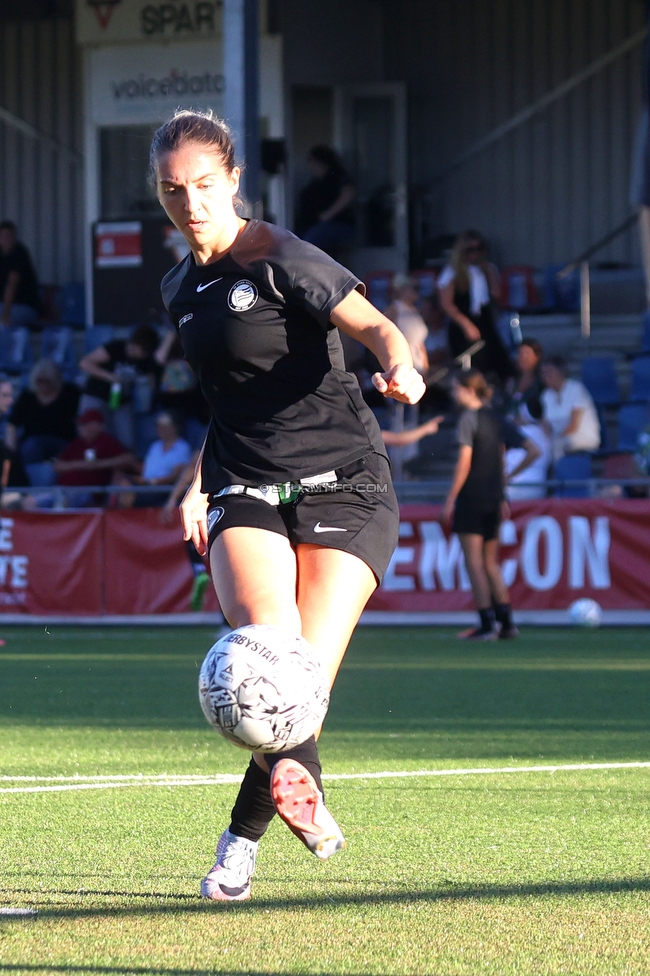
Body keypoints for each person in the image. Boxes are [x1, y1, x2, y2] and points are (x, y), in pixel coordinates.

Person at [152, 108, 424, 901]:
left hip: (345, 481)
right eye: (175, 191)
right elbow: (224, 400)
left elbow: (374, 324)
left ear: (233, 180)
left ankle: (238, 841)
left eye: (205, 185)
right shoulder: (178, 286)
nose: (192, 204)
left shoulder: (277, 254)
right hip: (245, 482)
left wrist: (401, 366)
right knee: (267, 654)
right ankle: (295, 794)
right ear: (160, 194)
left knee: (299, 684)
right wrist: (200, 483)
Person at [441, 369, 518, 641]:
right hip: (494, 498)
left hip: (471, 497)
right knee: (490, 563)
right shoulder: (495, 418)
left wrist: (449, 499)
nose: (453, 394)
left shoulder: (468, 419)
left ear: (467, 390)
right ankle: (507, 623)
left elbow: (465, 462)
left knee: (474, 563)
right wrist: (504, 486)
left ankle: (487, 624)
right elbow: (528, 450)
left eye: (455, 388)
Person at [437, 230, 513, 384]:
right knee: (473, 364)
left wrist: (490, 274)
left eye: (479, 249)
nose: (475, 254)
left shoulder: (485, 269)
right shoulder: (452, 272)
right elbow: (446, 303)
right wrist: (466, 324)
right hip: (463, 322)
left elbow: (496, 295)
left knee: (498, 361)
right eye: (470, 250)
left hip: (484, 320)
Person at [79, 324, 161, 451]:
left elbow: (152, 378)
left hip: (122, 400)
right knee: (92, 433)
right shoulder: (116, 348)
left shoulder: (146, 361)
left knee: (127, 439)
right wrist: (109, 376)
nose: (145, 355)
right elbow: (85, 363)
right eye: (144, 351)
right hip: (97, 395)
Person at [5, 359, 80, 471]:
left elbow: (82, 419)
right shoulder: (27, 396)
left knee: (72, 451)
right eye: (40, 381)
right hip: (33, 442)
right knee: (32, 447)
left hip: (64, 440)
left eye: (47, 381)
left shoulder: (70, 393)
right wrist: (11, 453)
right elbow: (12, 425)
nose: (44, 386)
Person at [53, 409, 134, 507]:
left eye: (85, 424)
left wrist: (99, 464)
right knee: (31, 500)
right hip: (61, 490)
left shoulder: (106, 441)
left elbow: (128, 458)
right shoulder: (77, 443)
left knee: (63, 503)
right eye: (81, 425)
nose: (81, 428)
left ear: (97, 426)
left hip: (86, 493)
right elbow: (57, 466)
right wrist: (82, 464)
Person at [294, 145, 355, 256]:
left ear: (319, 161)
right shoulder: (315, 182)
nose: (308, 164)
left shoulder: (336, 176)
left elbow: (348, 193)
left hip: (336, 224)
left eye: (310, 160)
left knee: (308, 243)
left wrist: (328, 214)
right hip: (312, 225)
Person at [540, 355, 600, 460]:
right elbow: (545, 424)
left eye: (549, 372)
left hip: (580, 436)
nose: (545, 376)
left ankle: (558, 474)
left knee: (556, 445)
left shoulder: (576, 389)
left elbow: (574, 424)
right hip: (557, 439)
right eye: (543, 373)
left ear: (561, 373)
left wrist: (555, 439)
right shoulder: (545, 396)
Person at [505, 399, 552, 501]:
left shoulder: (523, 433)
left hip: (520, 487)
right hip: (540, 486)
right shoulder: (544, 434)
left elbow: (510, 462)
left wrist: (509, 477)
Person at [385, 274, 429, 376]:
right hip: (402, 361)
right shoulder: (393, 310)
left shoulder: (416, 311)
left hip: (419, 363)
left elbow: (420, 343)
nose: (418, 292)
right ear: (403, 289)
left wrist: (426, 365)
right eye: (415, 288)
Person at [0, 221, 40, 328]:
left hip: (24, 306)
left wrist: (6, 312)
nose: (7, 239)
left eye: (10, 236)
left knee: (2, 324)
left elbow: (12, 284)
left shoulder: (20, 253)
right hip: (3, 305)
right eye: (4, 236)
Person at [506, 338, 544, 417]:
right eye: (520, 353)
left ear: (537, 357)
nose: (523, 357)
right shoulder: (513, 381)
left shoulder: (541, 382)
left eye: (527, 353)